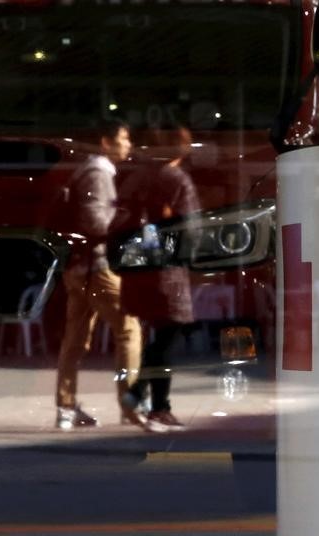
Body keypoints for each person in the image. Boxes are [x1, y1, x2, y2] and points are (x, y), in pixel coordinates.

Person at [55, 118, 143, 430]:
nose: (128, 144)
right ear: (106, 142)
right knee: (129, 330)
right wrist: (127, 217)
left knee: (75, 339)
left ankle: (66, 409)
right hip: (98, 267)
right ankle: (130, 406)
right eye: (124, 138)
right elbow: (97, 223)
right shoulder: (99, 173)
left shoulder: (84, 173)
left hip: (77, 268)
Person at [114, 125, 201, 433]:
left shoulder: (137, 177)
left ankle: (144, 397)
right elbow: (191, 229)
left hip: (137, 270)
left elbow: (119, 218)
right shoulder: (176, 179)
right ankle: (153, 404)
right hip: (167, 272)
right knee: (168, 335)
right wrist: (191, 257)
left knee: (158, 336)